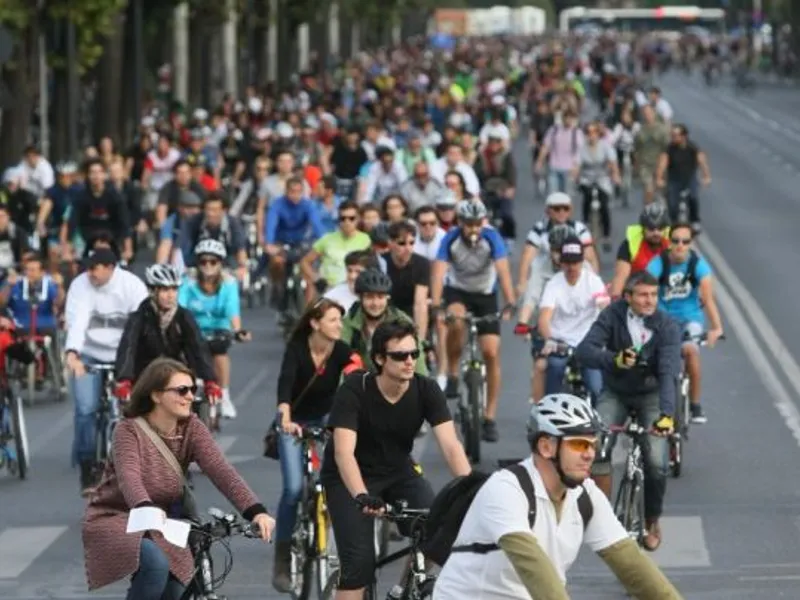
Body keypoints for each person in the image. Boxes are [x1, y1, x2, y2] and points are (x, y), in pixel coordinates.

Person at [433, 394, 683, 600]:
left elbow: (631, 565)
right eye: (579, 445)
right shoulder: (506, 489)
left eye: (593, 445)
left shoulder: (586, 496)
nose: (590, 455)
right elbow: (534, 567)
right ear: (546, 447)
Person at [82, 358, 275, 600]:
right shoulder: (128, 430)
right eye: (182, 390)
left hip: (165, 521)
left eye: (193, 389)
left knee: (177, 586)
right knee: (155, 566)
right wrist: (145, 508)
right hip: (119, 518)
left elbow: (220, 470)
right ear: (155, 395)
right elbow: (129, 477)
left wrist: (255, 511)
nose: (190, 396)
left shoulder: (192, 427)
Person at [322, 319, 471, 600]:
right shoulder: (355, 390)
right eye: (400, 355)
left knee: (436, 531)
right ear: (379, 358)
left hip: (398, 470)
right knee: (358, 568)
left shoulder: (426, 390)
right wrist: (362, 495)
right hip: (349, 478)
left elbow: (451, 446)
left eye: (414, 354)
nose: (409, 361)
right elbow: (343, 453)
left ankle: (402, 589)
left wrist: (470, 489)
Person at [576, 271, 682, 551]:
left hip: (652, 395)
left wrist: (667, 415)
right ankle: (600, 517)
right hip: (617, 392)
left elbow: (669, 371)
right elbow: (584, 351)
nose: (650, 301)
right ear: (628, 297)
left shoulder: (667, 325)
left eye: (654, 295)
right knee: (596, 446)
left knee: (657, 461)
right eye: (643, 295)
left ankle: (651, 519)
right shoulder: (612, 315)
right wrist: (614, 360)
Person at [271, 298, 361, 592]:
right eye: (333, 320)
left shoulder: (341, 351)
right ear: (315, 323)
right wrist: (284, 417)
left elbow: (355, 370)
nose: (339, 326)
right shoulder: (296, 349)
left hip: (325, 420)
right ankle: (283, 558)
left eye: (340, 320)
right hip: (293, 421)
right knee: (294, 489)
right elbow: (284, 385)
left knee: (333, 480)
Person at [64, 247, 149, 493]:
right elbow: (77, 321)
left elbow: (143, 325)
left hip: (124, 354)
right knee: (86, 408)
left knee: (136, 408)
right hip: (89, 353)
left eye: (94, 268)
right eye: (87, 267)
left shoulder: (132, 286)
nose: (89, 273)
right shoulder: (80, 285)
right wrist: (73, 354)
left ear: (111, 268)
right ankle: (87, 466)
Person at [430, 200, 516, 442]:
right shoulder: (450, 239)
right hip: (458, 292)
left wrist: (510, 301)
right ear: (460, 223)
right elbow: (438, 272)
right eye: (468, 224)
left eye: (477, 223)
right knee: (455, 321)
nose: (473, 229)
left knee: (490, 351)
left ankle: (489, 418)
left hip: (485, 295)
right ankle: (454, 372)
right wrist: (437, 304)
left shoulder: (492, 238)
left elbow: (503, 270)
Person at [646, 222, 724, 424]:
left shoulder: (699, 265)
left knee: (690, 351)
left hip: (690, 318)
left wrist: (717, 328)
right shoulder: (657, 264)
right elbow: (645, 292)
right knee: (659, 356)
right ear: (669, 242)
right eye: (675, 241)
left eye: (685, 241)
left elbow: (707, 298)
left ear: (691, 243)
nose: (680, 245)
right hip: (663, 319)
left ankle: (696, 405)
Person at [114, 264, 221, 403]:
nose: (170, 295)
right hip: (145, 375)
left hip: (177, 373)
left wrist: (210, 381)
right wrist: (124, 380)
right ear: (152, 291)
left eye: (174, 289)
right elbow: (128, 347)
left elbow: (198, 347)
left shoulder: (184, 316)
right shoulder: (139, 317)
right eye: (165, 289)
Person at [179, 240, 250, 419]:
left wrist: (238, 330)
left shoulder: (229, 283)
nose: (208, 266)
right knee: (186, 360)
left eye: (213, 262)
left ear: (220, 263)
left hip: (219, 331)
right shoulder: (187, 282)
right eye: (203, 262)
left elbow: (232, 310)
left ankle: (224, 395)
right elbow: (180, 308)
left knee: (220, 354)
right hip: (193, 330)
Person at [536, 236, 607, 404]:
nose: (571, 267)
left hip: (588, 341)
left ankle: (599, 425)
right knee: (555, 368)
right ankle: (549, 413)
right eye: (567, 262)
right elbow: (544, 318)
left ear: (582, 262)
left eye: (575, 262)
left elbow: (605, 308)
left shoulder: (593, 281)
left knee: (596, 386)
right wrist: (550, 340)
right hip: (561, 342)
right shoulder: (553, 284)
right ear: (561, 263)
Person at [341, 269, 427, 374]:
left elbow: (418, 362)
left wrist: (423, 388)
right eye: (369, 297)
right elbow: (339, 358)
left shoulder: (402, 321)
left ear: (387, 298)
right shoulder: (349, 321)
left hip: (395, 380)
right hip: (359, 382)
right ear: (360, 298)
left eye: (380, 297)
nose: (375, 303)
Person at [300, 200, 371, 300]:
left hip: (355, 289)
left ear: (358, 219)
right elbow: (305, 262)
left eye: (351, 218)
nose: (347, 222)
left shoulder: (366, 240)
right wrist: (316, 278)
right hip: (329, 289)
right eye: (343, 218)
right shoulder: (327, 239)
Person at [655, 124, 712, 231]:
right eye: (672, 135)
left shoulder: (692, 147)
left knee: (693, 197)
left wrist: (706, 176)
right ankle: (674, 222)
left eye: (676, 135)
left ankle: (694, 220)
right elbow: (662, 163)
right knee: (672, 203)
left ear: (684, 136)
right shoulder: (669, 149)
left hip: (689, 179)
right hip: (674, 180)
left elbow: (702, 161)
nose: (673, 137)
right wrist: (659, 178)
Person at [609, 203, 670, 298]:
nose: (656, 233)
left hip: (666, 294)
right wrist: (615, 300)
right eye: (651, 228)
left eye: (660, 228)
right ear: (643, 228)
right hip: (638, 295)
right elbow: (621, 276)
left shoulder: (674, 241)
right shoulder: (630, 244)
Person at [385, 221, 431, 342]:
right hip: (386, 310)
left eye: (411, 243)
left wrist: (420, 340)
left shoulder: (422, 263)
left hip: (410, 309)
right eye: (402, 243)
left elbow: (420, 303)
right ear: (390, 243)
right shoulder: (380, 262)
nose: (408, 248)